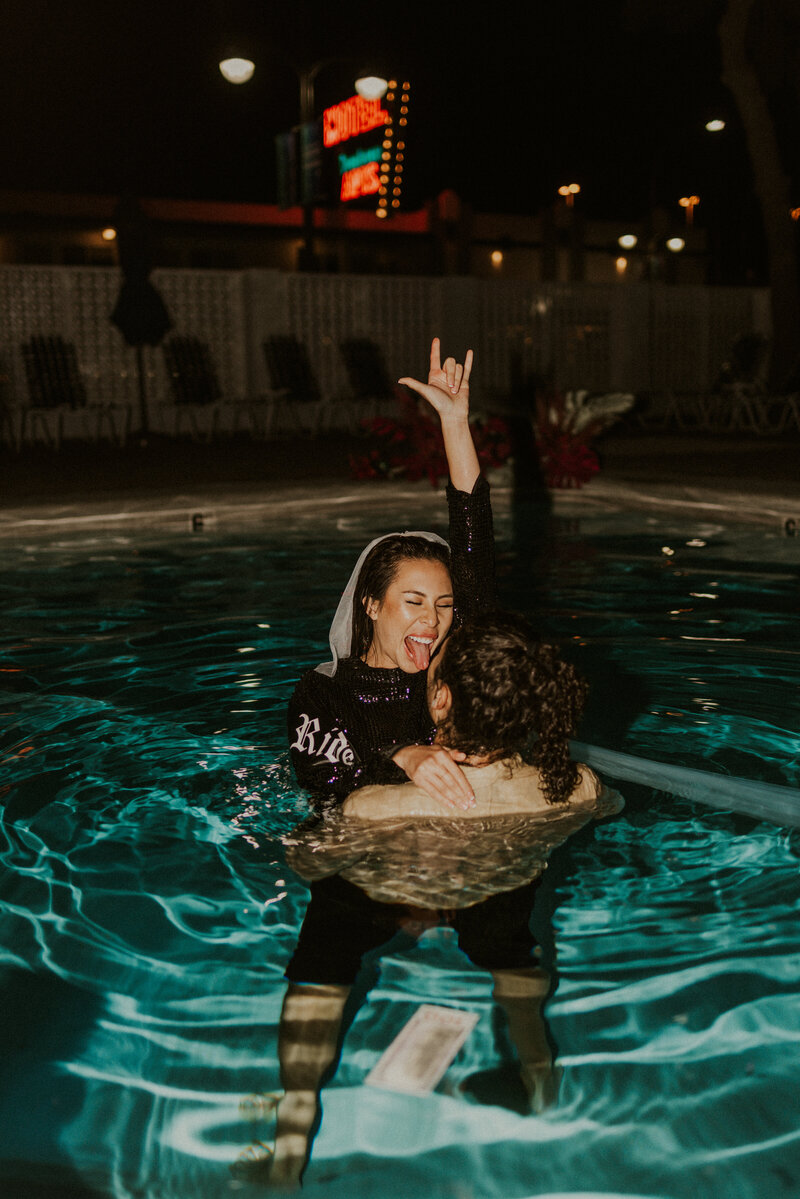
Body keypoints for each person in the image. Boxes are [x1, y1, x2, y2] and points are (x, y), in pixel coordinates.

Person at [242, 614, 622, 1186]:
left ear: (440, 699)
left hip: (380, 895)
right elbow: (609, 806)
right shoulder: (574, 789)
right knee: (515, 954)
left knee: (320, 971)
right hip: (495, 893)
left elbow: (306, 860)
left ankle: (295, 1123)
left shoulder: (377, 805)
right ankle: (538, 1071)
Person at [287, 337, 495, 813]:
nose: (433, 621)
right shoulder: (322, 692)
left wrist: (455, 423)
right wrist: (402, 756)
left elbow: (474, 541)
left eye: (444, 606)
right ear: (372, 603)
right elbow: (325, 776)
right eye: (414, 601)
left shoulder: (451, 677)